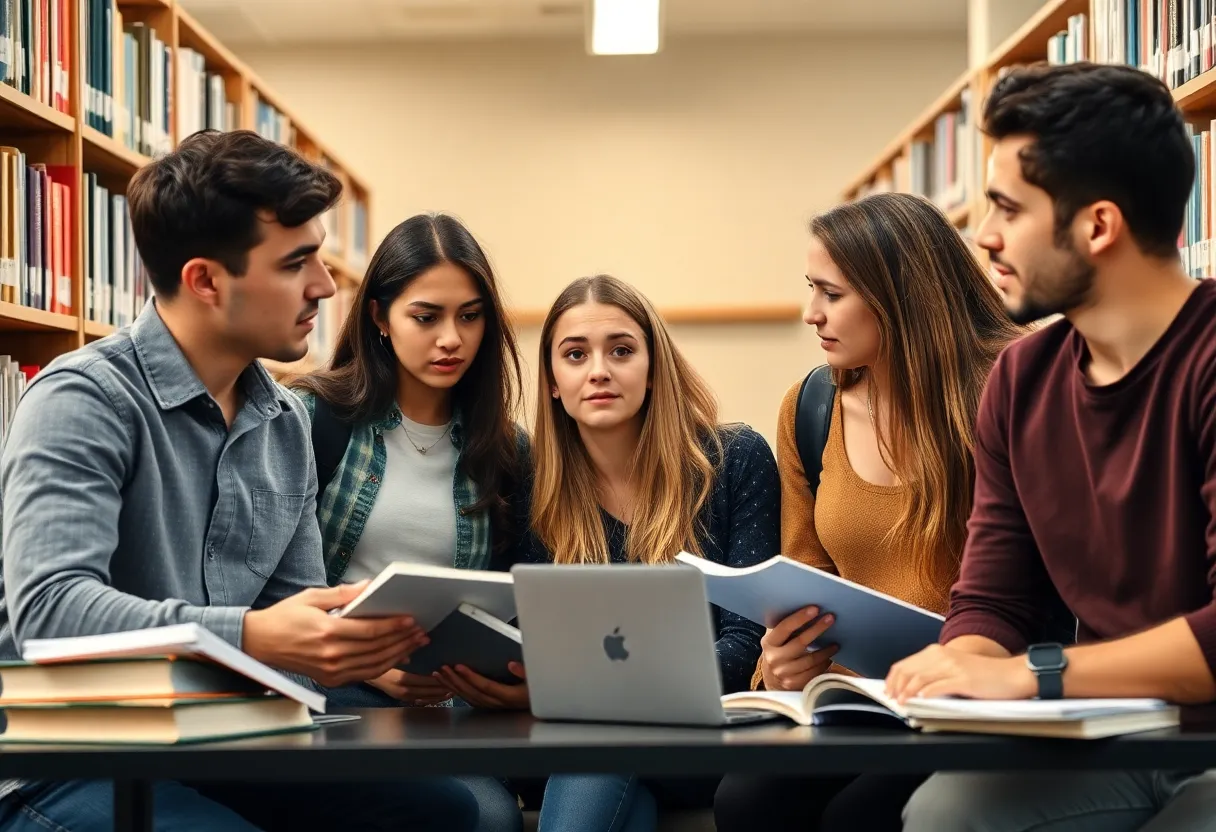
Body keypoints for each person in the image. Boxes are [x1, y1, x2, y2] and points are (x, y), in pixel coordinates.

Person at [0, 129, 479, 831]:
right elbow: (50, 609)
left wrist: (356, 642)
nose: (324, 285)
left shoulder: (284, 421)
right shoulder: (84, 399)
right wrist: (251, 636)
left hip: (220, 738)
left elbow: (298, 628)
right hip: (73, 752)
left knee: (442, 814)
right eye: (296, 263)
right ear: (205, 281)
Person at [887, 61, 1216, 831]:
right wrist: (963, 667)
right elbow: (995, 596)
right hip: (1109, 737)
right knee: (942, 817)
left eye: (1007, 207)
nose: (984, 234)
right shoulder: (1019, 379)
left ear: (1097, 225)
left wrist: (1033, 677)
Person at [711, 191, 1026, 832]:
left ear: (896, 295)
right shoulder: (810, 407)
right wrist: (780, 664)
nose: (809, 314)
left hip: (973, 695)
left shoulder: (1012, 387)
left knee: (859, 818)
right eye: (810, 290)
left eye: (831, 294)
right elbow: (804, 580)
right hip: (858, 699)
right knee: (744, 803)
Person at [439, 274, 780, 831]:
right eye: (575, 355)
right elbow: (517, 634)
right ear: (552, 380)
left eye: (621, 350)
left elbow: (747, 647)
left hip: (699, 740)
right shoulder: (526, 481)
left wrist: (582, 692)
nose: (599, 370)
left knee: (599, 755)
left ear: (653, 366)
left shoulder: (732, 459)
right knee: (614, 787)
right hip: (569, 743)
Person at [288, 211, 530, 831]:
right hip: (327, 691)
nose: (451, 338)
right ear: (379, 317)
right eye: (426, 317)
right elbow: (271, 590)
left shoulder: (505, 452)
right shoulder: (313, 419)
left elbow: (511, 601)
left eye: (470, 316)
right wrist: (367, 663)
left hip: (447, 703)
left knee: (492, 817)